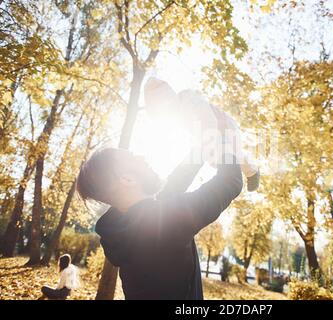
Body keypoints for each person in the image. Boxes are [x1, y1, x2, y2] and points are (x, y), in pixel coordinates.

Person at [76, 110, 242, 300]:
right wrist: (225, 140)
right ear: (127, 178)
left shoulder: (128, 227)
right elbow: (231, 182)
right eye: (133, 158)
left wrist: (205, 143)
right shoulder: (163, 223)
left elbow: (173, 188)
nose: (142, 158)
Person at [144, 77, 260, 192]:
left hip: (223, 127)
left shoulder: (190, 102)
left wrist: (209, 139)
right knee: (218, 160)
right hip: (211, 135)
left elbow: (208, 119)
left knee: (232, 155)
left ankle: (252, 172)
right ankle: (238, 173)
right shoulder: (179, 113)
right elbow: (195, 130)